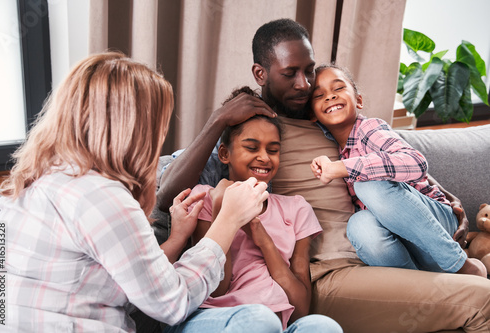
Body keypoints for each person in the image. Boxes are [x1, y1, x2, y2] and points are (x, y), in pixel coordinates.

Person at [157, 18, 490, 333]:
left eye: (309, 71)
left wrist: (441, 194)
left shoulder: (325, 116)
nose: (304, 84)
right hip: (331, 269)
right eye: (290, 73)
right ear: (261, 73)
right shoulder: (253, 133)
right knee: (481, 298)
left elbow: (387, 159)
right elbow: (166, 194)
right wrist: (217, 121)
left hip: (380, 251)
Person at [0, 52, 284, 333]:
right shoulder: (101, 197)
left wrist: (178, 237)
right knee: (260, 322)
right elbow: (172, 303)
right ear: (132, 128)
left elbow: (129, 283)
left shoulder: (35, 184)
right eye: (156, 126)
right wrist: (229, 220)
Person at [165, 87, 343, 333]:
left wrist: (264, 241)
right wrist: (221, 210)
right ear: (225, 154)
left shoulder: (296, 208)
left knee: (323, 326)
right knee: (260, 320)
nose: (264, 158)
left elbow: (300, 308)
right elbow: (217, 289)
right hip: (214, 317)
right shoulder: (206, 197)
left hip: (273, 322)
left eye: (273, 150)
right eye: (251, 148)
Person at [309, 64, 487, 277]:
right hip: (408, 246)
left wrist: (342, 168)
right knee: (359, 224)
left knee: (367, 183)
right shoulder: (332, 147)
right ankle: (419, 285)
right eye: (319, 95)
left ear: (358, 100)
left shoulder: (369, 129)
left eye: (338, 89)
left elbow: (416, 162)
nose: (330, 97)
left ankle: (459, 264)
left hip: (437, 226)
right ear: (312, 116)